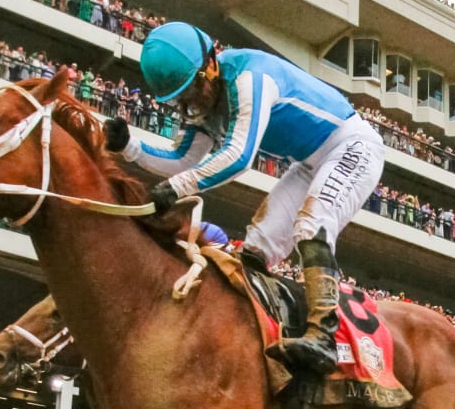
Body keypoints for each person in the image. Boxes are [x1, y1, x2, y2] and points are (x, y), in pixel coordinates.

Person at [104, 22, 386, 375]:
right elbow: (184, 159)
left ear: (210, 65)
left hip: (353, 145)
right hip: (309, 161)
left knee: (312, 225)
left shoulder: (249, 77)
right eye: (181, 96)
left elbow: (239, 156)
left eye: (193, 89)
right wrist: (129, 146)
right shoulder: (200, 103)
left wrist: (178, 188)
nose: (190, 101)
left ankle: (325, 339)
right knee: (255, 248)